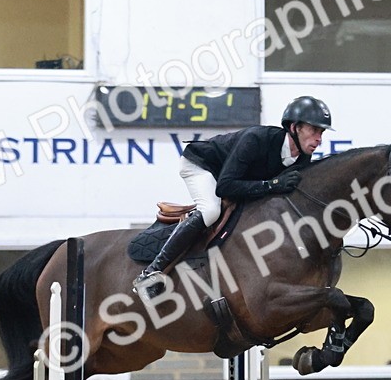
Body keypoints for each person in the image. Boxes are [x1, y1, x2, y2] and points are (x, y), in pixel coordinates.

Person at [132, 95, 333, 295]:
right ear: (295, 128)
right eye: (314, 130)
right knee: (211, 210)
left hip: (233, 177)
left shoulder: (303, 157)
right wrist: (271, 185)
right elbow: (225, 187)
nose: (319, 139)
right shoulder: (256, 139)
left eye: (322, 132)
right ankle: (151, 272)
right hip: (202, 165)